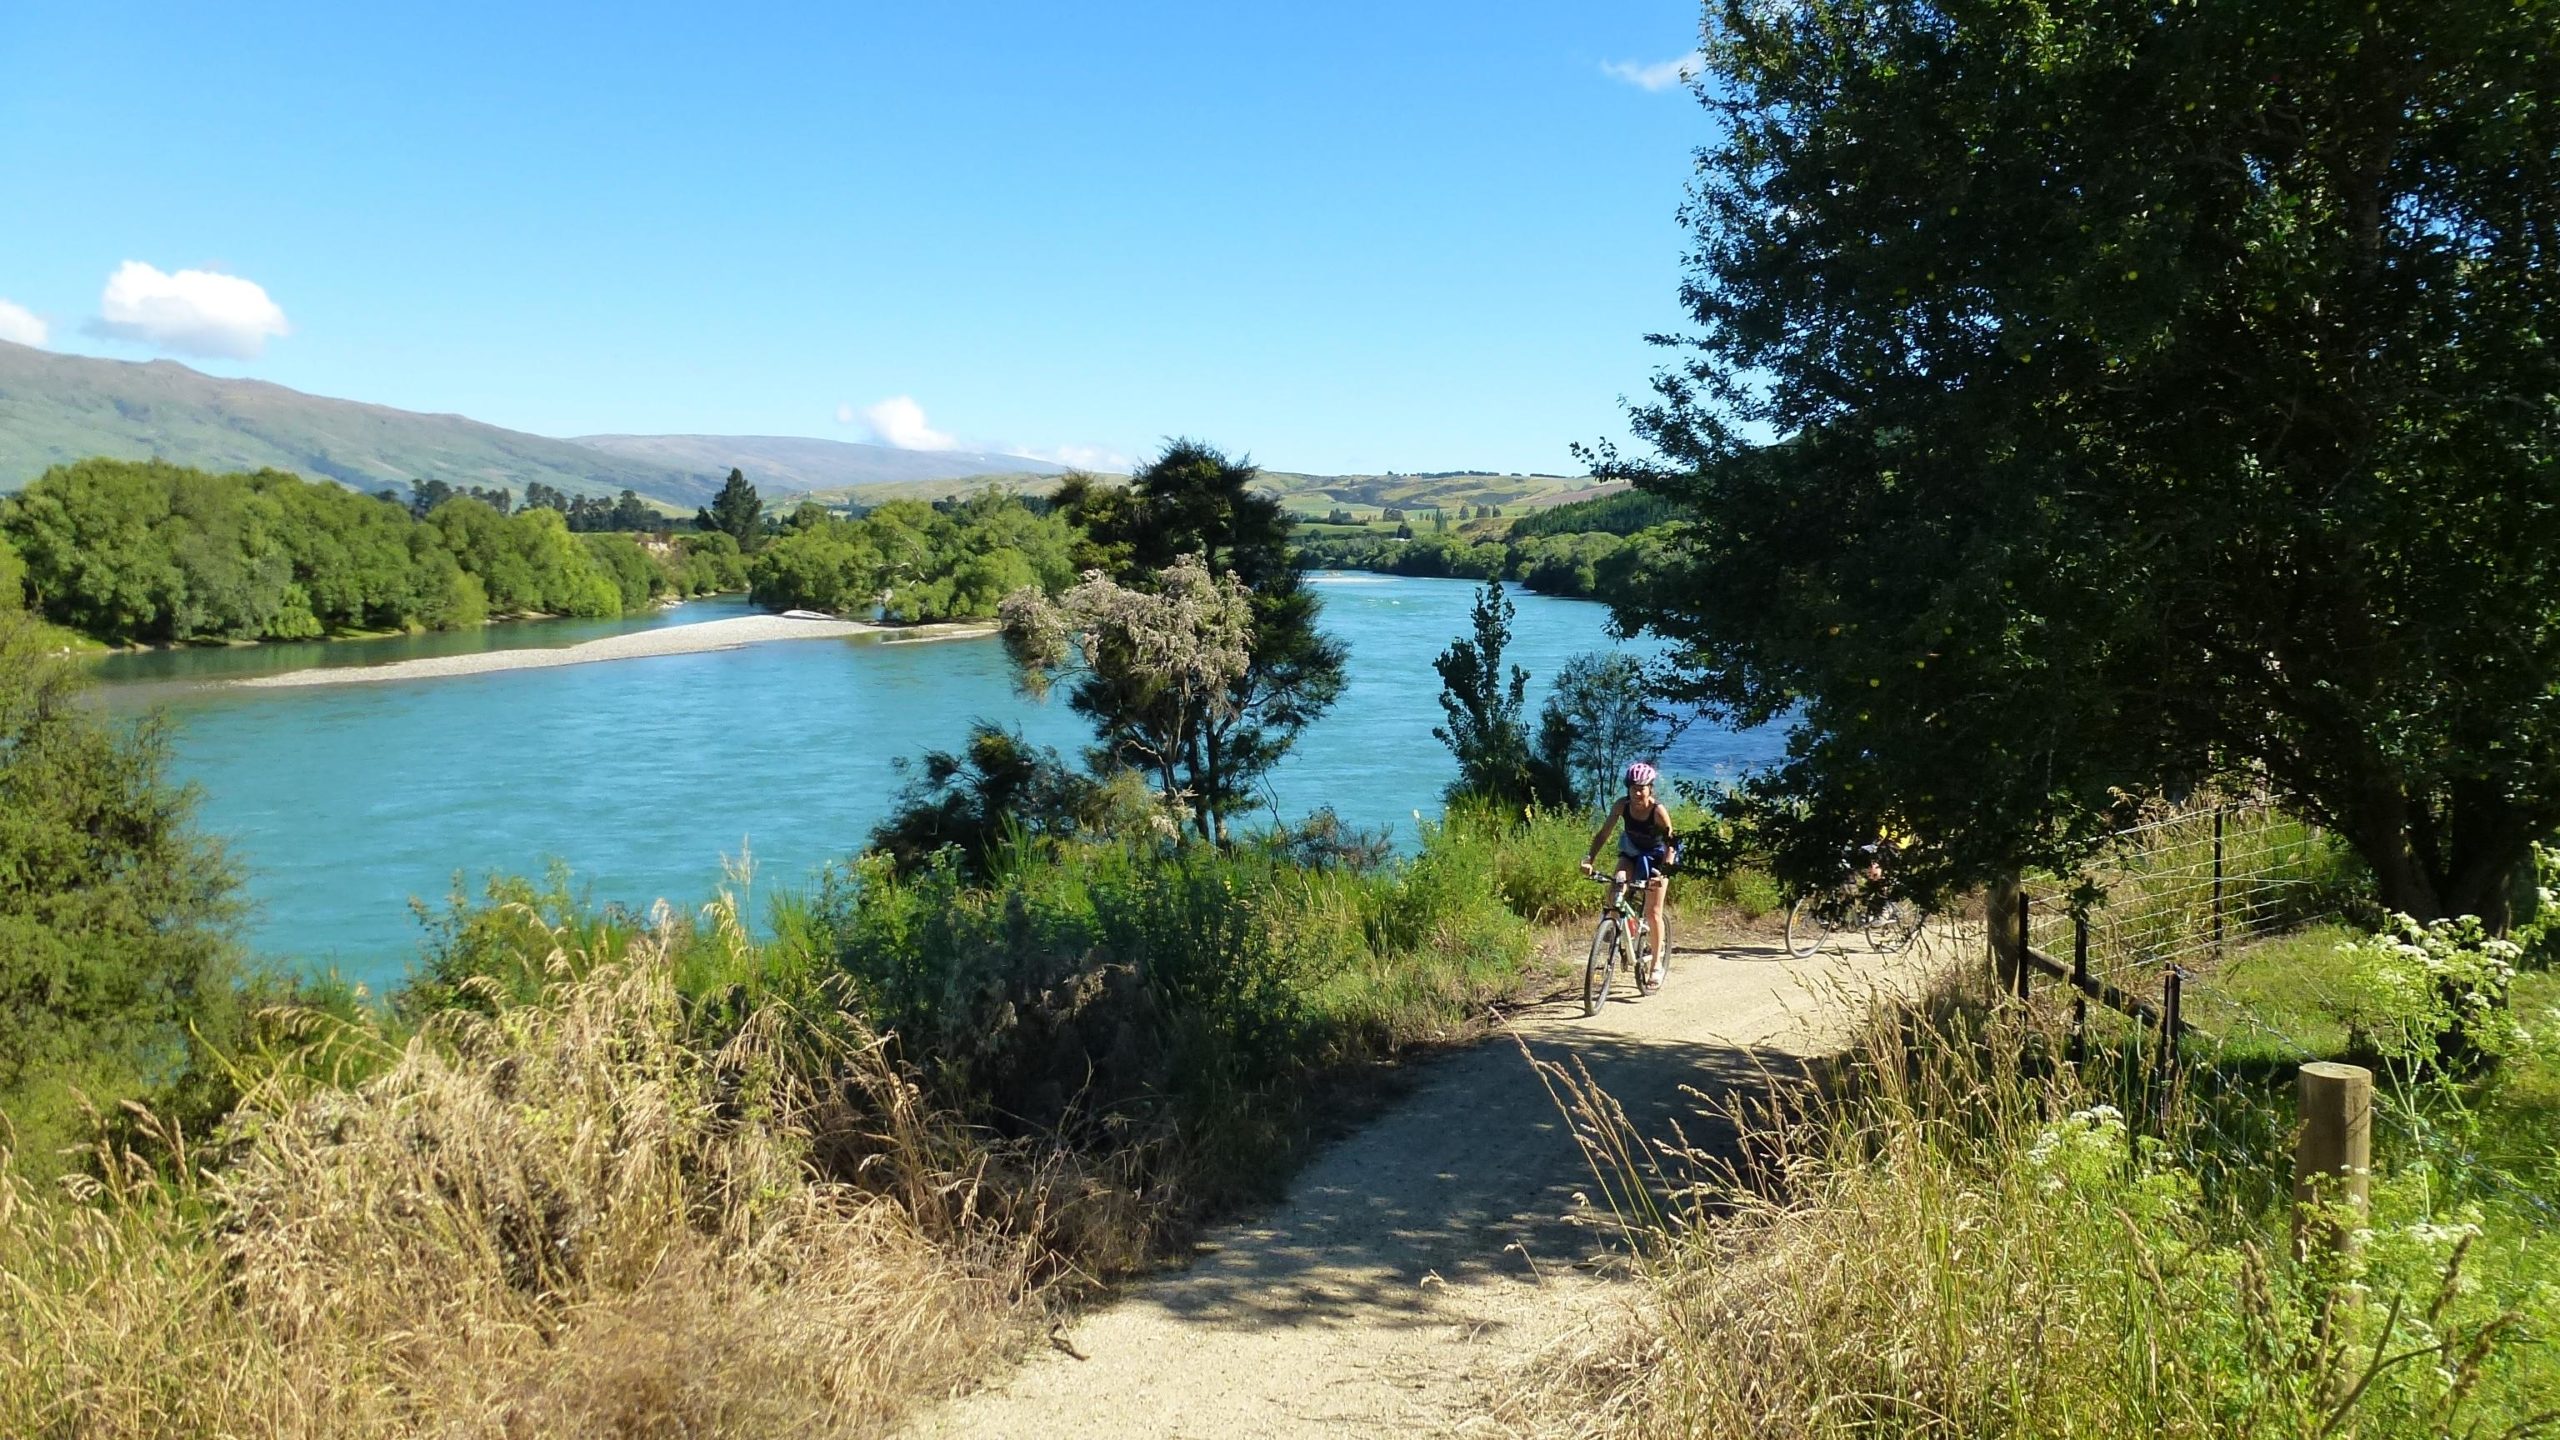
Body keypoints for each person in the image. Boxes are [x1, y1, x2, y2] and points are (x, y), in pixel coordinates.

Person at [1581, 761, 1679, 983]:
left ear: (1650, 788)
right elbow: (1603, 834)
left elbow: (1671, 843)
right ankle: (1618, 926)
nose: (1637, 792)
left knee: (1653, 911)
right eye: (1633, 787)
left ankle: (1655, 964)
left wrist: (1662, 873)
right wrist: (1589, 859)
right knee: (1616, 886)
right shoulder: (1621, 806)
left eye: (1641, 787)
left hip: (1657, 857)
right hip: (1633, 852)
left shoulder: (1657, 811)